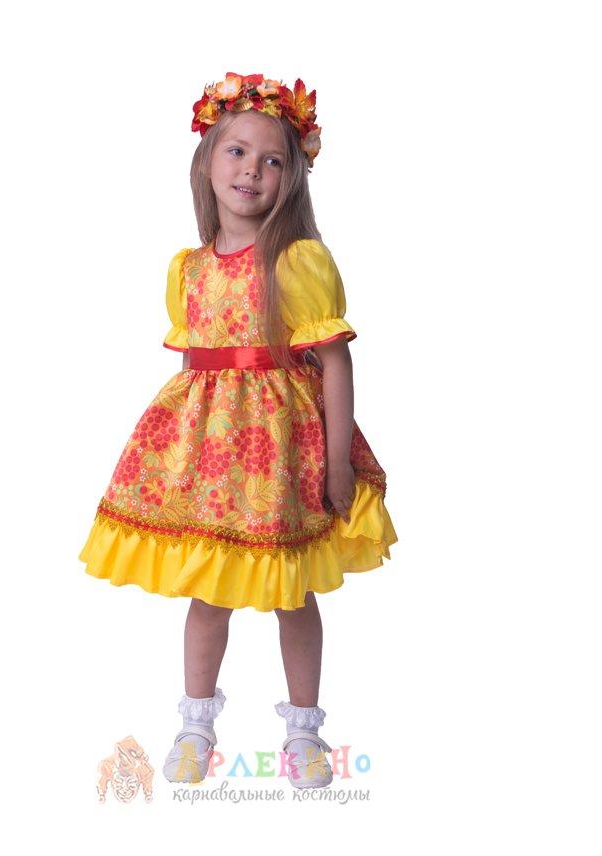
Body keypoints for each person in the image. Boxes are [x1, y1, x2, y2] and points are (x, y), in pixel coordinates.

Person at [78, 72, 398, 790]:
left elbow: (334, 362)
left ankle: (303, 731)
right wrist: (174, 459)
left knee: (292, 593)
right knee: (209, 592)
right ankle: (196, 725)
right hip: (212, 457)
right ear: (206, 163)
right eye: (237, 152)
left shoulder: (298, 261)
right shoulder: (188, 269)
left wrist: (337, 461)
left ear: (293, 177)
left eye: (272, 159)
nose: (252, 169)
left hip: (281, 451)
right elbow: (197, 370)